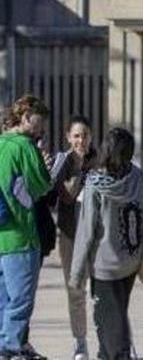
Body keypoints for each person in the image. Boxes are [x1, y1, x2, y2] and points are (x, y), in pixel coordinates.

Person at [70, 128, 143, 360]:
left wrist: (76, 273)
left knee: (110, 326)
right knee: (113, 319)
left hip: (105, 265)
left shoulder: (96, 183)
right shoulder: (138, 177)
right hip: (130, 259)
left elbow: (86, 230)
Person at [0, 95, 53, 359]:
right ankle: (10, 347)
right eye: (39, 121)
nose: (41, 128)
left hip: (1, 236)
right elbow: (42, 184)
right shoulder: (24, 146)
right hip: (21, 234)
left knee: (3, 299)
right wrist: (46, 164)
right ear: (25, 118)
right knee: (21, 299)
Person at [41, 116, 96, 360]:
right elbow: (57, 194)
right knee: (75, 290)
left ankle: (110, 339)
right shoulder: (62, 160)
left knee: (102, 290)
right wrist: (75, 179)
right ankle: (80, 343)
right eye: (76, 135)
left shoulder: (101, 160)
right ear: (68, 137)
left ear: (91, 136)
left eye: (84, 135)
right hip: (71, 235)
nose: (80, 140)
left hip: (98, 236)